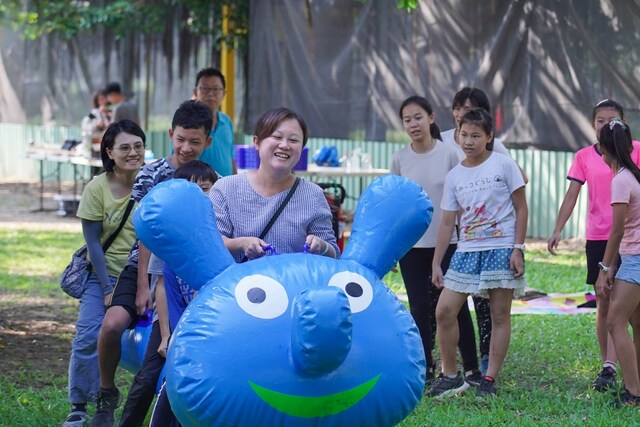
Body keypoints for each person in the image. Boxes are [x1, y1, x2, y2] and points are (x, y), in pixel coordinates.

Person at [91, 101, 213, 427]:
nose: (187, 148)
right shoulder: (152, 172)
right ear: (171, 135)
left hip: (187, 271)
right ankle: (105, 392)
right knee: (112, 324)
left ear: (207, 142)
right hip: (144, 265)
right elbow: (146, 231)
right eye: (181, 139)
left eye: (195, 141)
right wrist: (143, 283)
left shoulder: (212, 177)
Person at [428, 108, 527, 398]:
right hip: (466, 252)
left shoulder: (504, 164)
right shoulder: (455, 175)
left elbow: (521, 208)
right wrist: (437, 262)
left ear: (489, 137)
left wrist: (518, 249)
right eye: (464, 134)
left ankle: (489, 379)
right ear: (457, 135)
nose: (468, 141)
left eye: (475, 135)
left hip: (502, 248)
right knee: (444, 311)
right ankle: (450, 375)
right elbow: (448, 222)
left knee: (499, 316)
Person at [547, 99, 640, 391]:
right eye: (599, 120)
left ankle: (632, 386)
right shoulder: (587, 157)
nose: (604, 125)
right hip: (607, 241)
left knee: (622, 314)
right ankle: (610, 367)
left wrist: (606, 266)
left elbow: (620, 225)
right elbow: (572, 195)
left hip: (625, 245)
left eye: (610, 120)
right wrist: (558, 229)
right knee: (609, 307)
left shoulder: (625, 172)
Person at [390, 96, 482, 386]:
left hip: (449, 245)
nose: (413, 124)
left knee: (454, 307)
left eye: (418, 117)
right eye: (407, 119)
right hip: (411, 248)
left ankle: (471, 368)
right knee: (419, 308)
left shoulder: (449, 155)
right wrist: (392, 247)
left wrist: (465, 240)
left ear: (431, 118)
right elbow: (394, 205)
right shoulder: (399, 159)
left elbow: (462, 201)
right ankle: (426, 368)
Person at [62, 120, 145, 427]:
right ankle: (80, 404)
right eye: (124, 147)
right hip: (104, 275)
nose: (132, 153)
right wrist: (108, 286)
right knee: (87, 334)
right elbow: (93, 243)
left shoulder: (152, 182)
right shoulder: (97, 188)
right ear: (109, 152)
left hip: (144, 275)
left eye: (138, 146)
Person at [210, 106, 339, 261]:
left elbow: (334, 253)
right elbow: (211, 244)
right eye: (277, 137)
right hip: (237, 284)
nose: (284, 145)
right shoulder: (224, 189)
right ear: (257, 142)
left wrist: (322, 246)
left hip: (294, 284)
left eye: (293, 140)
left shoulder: (313, 195)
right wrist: (241, 244)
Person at [148, 160, 217, 427]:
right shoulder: (171, 244)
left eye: (205, 188)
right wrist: (169, 336)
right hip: (185, 332)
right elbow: (167, 291)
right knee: (166, 381)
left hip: (217, 331)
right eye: (191, 190)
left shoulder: (226, 237)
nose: (199, 195)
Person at [595, 119, 640, 406]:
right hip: (634, 257)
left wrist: (604, 269)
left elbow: (618, 229)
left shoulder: (621, 180)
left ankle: (633, 393)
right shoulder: (635, 176)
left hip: (635, 260)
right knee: (635, 322)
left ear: (603, 149)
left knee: (614, 321)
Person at [193, 67, 236, 176]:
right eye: (205, 89)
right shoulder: (188, 122)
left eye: (216, 89)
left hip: (226, 188)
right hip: (200, 188)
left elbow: (230, 156)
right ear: (195, 92)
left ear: (224, 94)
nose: (211, 94)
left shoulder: (227, 121)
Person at [81, 89, 112, 159]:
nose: (103, 101)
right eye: (101, 99)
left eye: (104, 99)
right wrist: (96, 124)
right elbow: (86, 127)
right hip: (96, 148)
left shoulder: (111, 112)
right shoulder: (94, 113)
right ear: (97, 101)